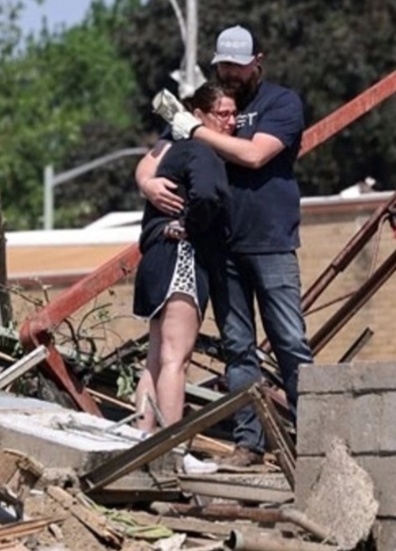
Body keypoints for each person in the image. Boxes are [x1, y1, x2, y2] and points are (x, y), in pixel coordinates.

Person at [136, 25, 313, 466]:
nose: (231, 73)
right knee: (238, 346)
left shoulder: (281, 104)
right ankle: (249, 443)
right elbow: (154, 158)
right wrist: (147, 183)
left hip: (270, 241)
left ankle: (315, 435)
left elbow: (253, 155)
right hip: (221, 248)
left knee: (289, 339)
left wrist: (194, 128)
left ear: (258, 62)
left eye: (238, 65)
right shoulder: (208, 103)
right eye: (224, 65)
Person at [132, 81, 236, 433]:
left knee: (156, 359)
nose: (231, 121)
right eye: (222, 114)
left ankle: (141, 439)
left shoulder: (175, 153)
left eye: (234, 113)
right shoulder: (201, 152)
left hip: (157, 258)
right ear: (198, 117)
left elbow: (146, 171)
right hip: (182, 258)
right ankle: (167, 448)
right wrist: (191, 226)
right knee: (177, 359)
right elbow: (206, 196)